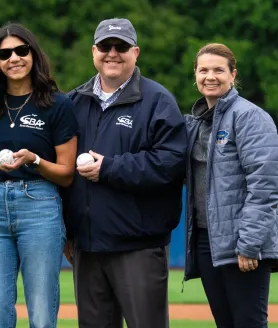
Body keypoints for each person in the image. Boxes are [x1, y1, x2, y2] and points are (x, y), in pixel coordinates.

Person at [62, 18, 188, 328]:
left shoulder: (158, 101)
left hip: (138, 246)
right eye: (106, 46)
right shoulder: (72, 102)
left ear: (136, 52)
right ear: (94, 51)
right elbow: (62, 169)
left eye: (121, 47)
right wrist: (66, 230)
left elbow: (170, 164)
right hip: (88, 247)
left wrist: (108, 168)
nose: (112, 53)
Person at [0, 23, 79, 328]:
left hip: (40, 203)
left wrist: (34, 161)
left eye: (21, 50)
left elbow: (67, 174)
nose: (14, 58)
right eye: (4, 54)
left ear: (33, 53)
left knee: (42, 314)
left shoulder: (58, 104)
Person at [183, 42, 278, 328]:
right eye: (203, 70)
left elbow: (263, 187)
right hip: (206, 242)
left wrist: (249, 244)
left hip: (242, 244)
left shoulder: (250, 116)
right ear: (195, 75)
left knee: (248, 323)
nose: (210, 76)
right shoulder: (196, 123)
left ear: (233, 74)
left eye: (218, 70)